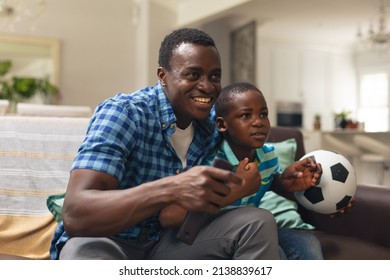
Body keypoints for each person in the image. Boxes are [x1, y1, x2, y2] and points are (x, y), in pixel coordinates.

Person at [50, 28, 283, 260]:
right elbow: (76, 215)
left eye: (214, 76)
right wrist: (173, 188)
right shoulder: (125, 113)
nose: (207, 86)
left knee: (257, 222)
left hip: (169, 242)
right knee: (83, 256)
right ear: (163, 76)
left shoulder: (211, 123)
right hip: (107, 240)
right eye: (193, 74)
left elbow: (252, 140)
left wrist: (289, 179)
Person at [160, 82, 324, 259]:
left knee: (307, 244)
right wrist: (233, 190)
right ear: (222, 125)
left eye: (263, 114)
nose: (258, 122)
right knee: (278, 254)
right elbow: (169, 216)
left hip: (251, 233)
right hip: (204, 235)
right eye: (246, 115)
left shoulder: (268, 156)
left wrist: (286, 181)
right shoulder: (209, 161)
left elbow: (270, 183)